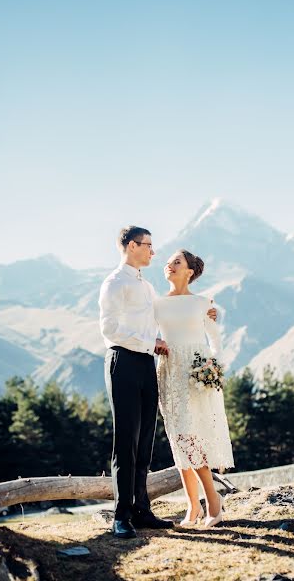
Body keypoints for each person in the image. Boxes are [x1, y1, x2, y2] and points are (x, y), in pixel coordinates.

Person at [99, 227, 216, 539]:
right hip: (122, 360)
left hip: (147, 364)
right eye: (148, 245)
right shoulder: (114, 283)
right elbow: (109, 328)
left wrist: (209, 312)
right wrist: (150, 342)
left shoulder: (148, 286)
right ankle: (121, 517)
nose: (153, 252)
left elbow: (174, 310)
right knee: (126, 442)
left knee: (145, 443)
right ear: (131, 246)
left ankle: (142, 510)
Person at [155, 249, 234, 528]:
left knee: (193, 437)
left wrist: (213, 367)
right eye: (168, 262)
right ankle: (193, 508)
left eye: (177, 261)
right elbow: (147, 332)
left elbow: (215, 339)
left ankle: (213, 501)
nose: (170, 265)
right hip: (170, 371)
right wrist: (155, 342)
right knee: (179, 439)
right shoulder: (156, 303)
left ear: (190, 271)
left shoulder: (203, 302)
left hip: (197, 372)